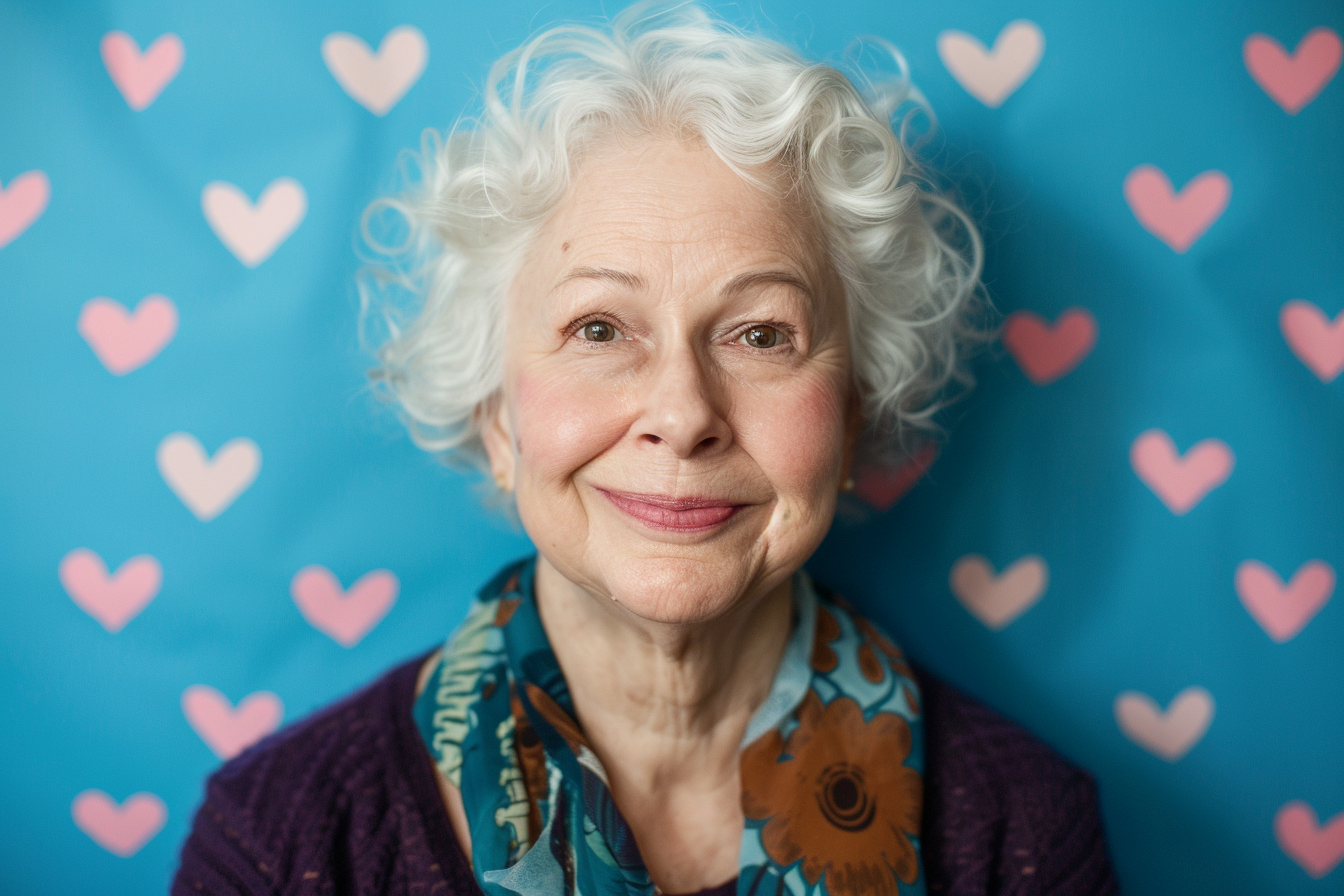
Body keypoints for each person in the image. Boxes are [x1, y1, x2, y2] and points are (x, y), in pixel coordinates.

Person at [172, 4, 1118, 894]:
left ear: (852, 419)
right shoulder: (283, 837)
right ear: (498, 419)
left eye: (760, 334)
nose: (682, 412)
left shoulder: (1021, 830)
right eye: (597, 329)